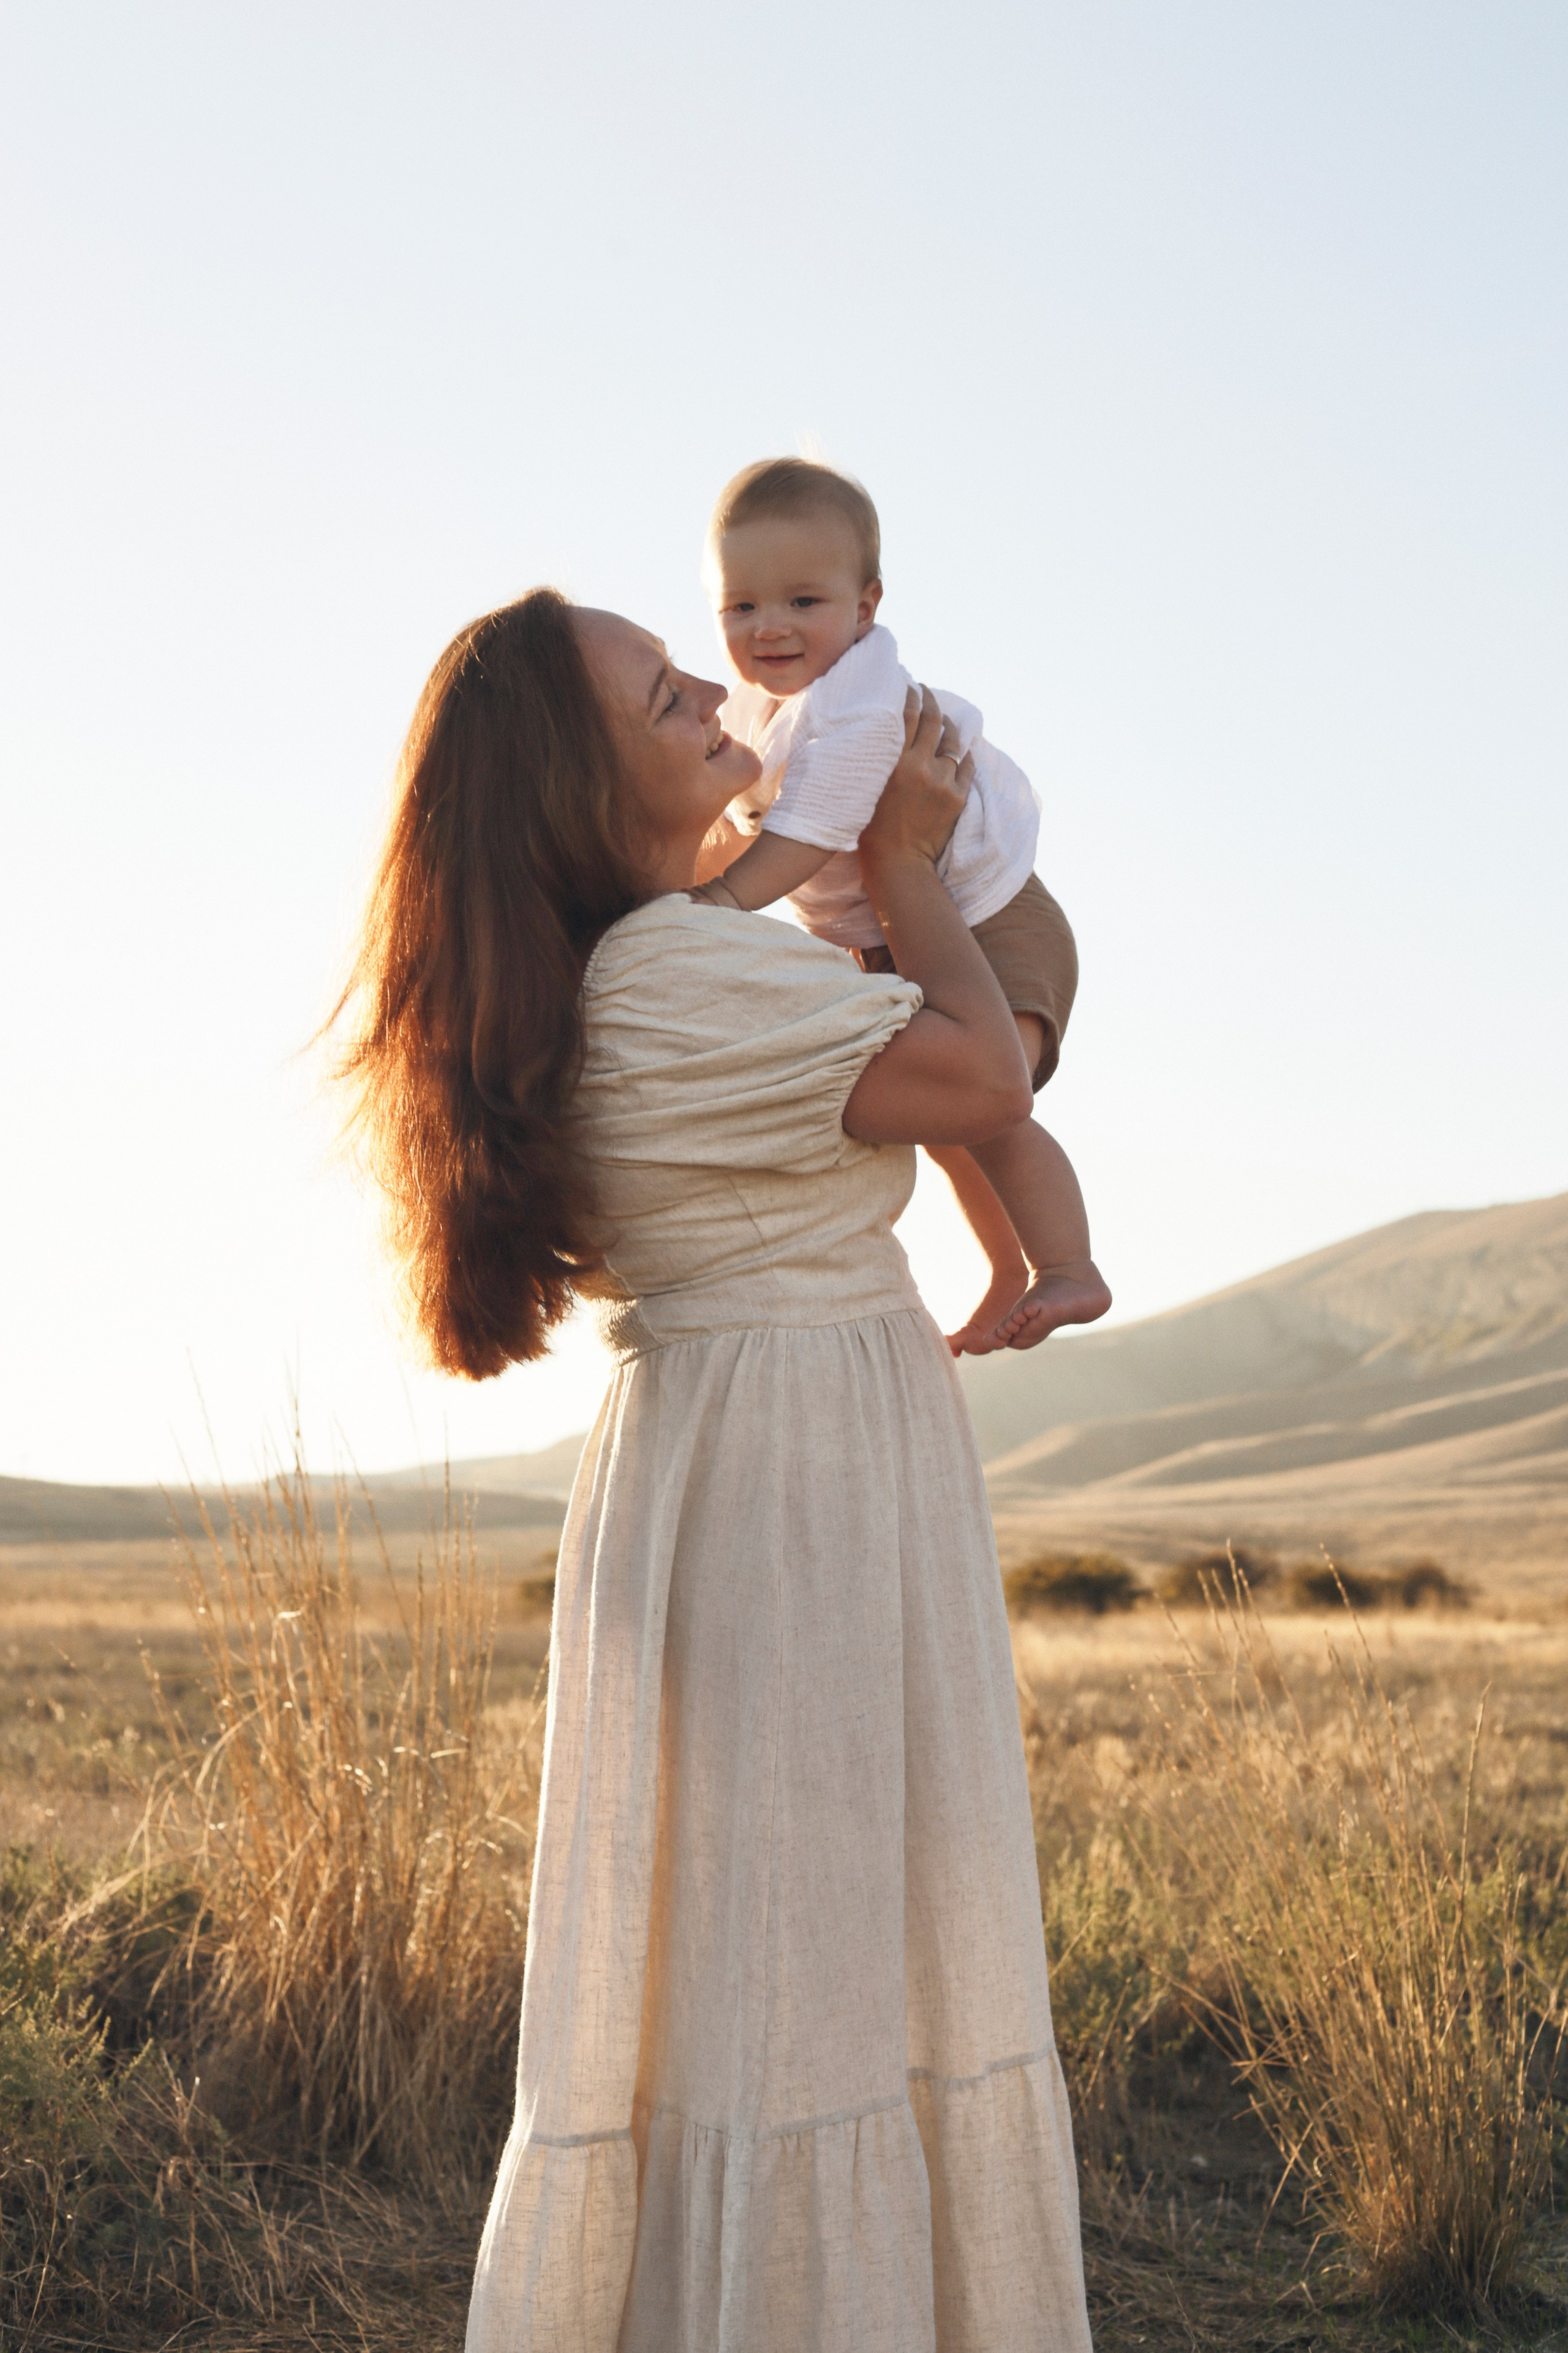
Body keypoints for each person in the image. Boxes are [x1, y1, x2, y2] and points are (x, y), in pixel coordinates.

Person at [336, 588, 1093, 2352]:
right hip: (800, 1479)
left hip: (748, 1448)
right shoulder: (677, 971)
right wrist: (911, 859)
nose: (710, 695)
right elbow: (984, 1069)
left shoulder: (667, 957)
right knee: (816, 1959)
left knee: (756, 1964)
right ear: (563, 789)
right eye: (661, 694)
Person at [699, 455, 1110, 1356]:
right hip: (896, 936)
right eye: (742, 606)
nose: (769, 628)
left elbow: (811, 828)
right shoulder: (762, 707)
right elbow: (733, 814)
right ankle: (1009, 1266)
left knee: (990, 1109)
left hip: (990, 916)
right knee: (947, 1124)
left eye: (803, 602)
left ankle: (1071, 1265)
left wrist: (717, 903)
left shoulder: (859, 702)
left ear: (866, 605)